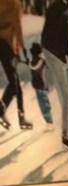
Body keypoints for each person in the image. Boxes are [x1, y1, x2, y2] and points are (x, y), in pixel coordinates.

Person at [40, 0, 68, 151]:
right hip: (55, 55)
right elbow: (65, 38)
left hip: (50, 52)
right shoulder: (62, 9)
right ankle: (65, 135)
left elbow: (48, 35)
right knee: (66, 99)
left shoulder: (54, 7)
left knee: (64, 97)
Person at [0, 0, 32, 131]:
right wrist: (23, 49)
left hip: (4, 44)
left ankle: (21, 117)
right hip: (7, 45)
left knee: (16, 83)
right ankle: (1, 110)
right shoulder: (15, 4)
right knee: (14, 84)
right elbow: (17, 27)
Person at [28, 42, 52, 127]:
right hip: (43, 83)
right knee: (45, 103)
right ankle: (49, 121)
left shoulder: (31, 62)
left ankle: (48, 121)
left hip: (36, 84)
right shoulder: (42, 61)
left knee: (42, 104)